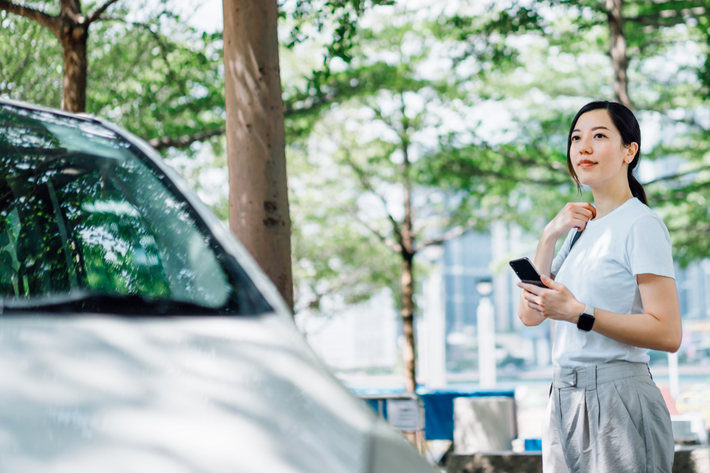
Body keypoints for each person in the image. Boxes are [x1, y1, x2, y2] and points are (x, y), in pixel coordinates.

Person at [517, 101, 681, 473]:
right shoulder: (579, 230)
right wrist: (549, 236)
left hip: (617, 397)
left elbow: (668, 333)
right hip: (562, 398)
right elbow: (529, 314)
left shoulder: (641, 224)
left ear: (629, 151)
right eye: (576, 138)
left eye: (599, 136)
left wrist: (580, 313)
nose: (583, 147)